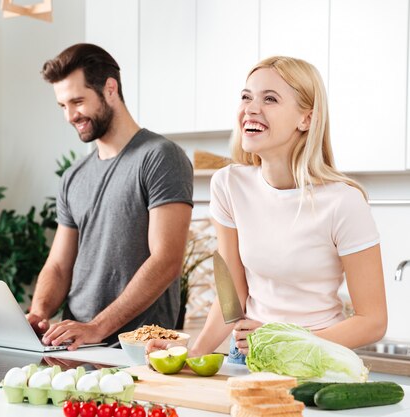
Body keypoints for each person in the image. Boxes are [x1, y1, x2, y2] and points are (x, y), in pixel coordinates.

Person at [147, 56, 387, 364]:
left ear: (307, 119)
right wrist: (192, 353)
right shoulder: (229, 185)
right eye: (246, 97)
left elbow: (373, 320)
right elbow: (232, 293)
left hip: (315, 361)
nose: (250, 108)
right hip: (247, 356)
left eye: (270, 99)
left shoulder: (343, 202)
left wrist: (286, 344)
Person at [27, 43, 194, 350]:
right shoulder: (73, 176)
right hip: (74, 345)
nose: (70, 116)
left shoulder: (160, 157)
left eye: (77, 101)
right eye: (62, 106)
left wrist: (97, 327)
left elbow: (166, 260)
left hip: (136, 348)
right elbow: (59, 266)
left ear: (110, 89)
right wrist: (38, 313)